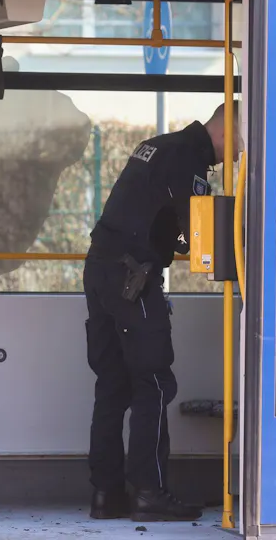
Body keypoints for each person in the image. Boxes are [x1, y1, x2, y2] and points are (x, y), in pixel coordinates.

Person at [82, 103, 239, 522]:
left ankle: (106, 494)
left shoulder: (157, 145)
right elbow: (199, 235)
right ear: (228, 129)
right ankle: (150, 493)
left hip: (100, 271)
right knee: (153, 383)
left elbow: (163, 221)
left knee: (112, 384)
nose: (240, 154)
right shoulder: (189, 160)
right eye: (242, 143)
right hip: (133, 279)